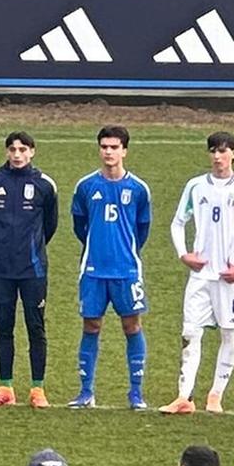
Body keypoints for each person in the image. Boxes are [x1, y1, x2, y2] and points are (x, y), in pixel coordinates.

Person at [168, 132, 234, 416]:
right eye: (213, 151)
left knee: (229, 333)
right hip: (200, 276)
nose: (217, 156)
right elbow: (177, 222)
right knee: (190, 333)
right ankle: (184, 396)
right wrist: (184, 254)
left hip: (229, 277)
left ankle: (215, 394)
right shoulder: (196, 186)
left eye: (223, 151)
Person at [68, 127, 150, 411]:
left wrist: (124, 250)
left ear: (124, 151)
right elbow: (80, 225)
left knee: (132, 325)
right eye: (104, 146)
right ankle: (86, 391)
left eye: (114, 147)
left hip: (126, 270)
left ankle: (136, 393)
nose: (108, 152)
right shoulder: (86, 186)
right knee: (91, 325)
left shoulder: (138, 189)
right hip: (93, 270)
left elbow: (142, 229)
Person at [0, 131, 59, 407]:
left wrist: (32, 247)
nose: (17, 154)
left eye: (22, 149)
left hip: (33, 269)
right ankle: (6, 387)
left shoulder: (45, 185)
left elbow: (50, 225)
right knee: (4, 326)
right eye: (12, 149)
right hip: (1, 268)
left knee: (35, 327)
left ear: (32, 152)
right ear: (6, 152)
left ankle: (37, 389)